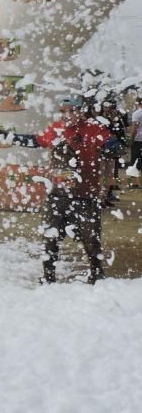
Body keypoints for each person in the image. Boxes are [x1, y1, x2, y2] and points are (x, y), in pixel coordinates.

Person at [13, 95, 121, 284]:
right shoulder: (56, 128)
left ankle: (97, 273)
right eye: (63, 111)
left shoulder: (93, 128)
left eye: (72, 111)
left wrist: (111, 147)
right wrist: (10, 136)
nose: (67, 115)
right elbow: (36, 141)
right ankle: (48, 276)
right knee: (50, 236)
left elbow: (112, 143)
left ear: (81, 111)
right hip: (57, 195)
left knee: (91, 238)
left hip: (85, 195)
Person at [129, 96, 142, 188]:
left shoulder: (136, 114)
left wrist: (131, 139)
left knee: (135, 161)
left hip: (138, 140)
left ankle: (135, 182)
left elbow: (134, 129)